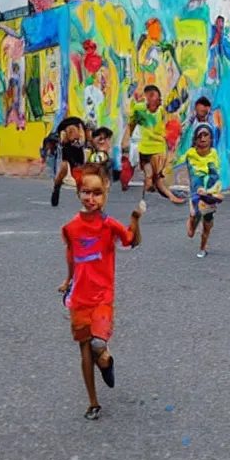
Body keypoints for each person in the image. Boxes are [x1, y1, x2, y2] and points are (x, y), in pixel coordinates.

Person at [58, 164, 146, 420]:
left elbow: (132, 240)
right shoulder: (71, 228)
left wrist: (135, 220)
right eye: (86, 192)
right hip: (79, 298)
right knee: (84, 350)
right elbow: (72, 257)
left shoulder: (109, 225)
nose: (91, 198)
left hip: (102, 297)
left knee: (98, 345)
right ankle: (93, 402)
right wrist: (67, 281)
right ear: (78, 193)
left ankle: (107, 362)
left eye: (97, 193)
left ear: (105, 195)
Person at [125, 85, 184, 204]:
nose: (159, 101)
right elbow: (132, 122)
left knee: (154, 178)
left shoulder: (161, 111)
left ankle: (155, 198)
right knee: (151, 177)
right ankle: (151, 198)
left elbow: (172, 110)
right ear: (149, 97)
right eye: (157, 99)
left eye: (160, 99)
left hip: (158, 150)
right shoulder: (140, 110)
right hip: (145, 150)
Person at [181, 123, 224, 258]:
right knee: (191, 231)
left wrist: (212, 191)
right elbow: (194, 174)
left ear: (211, 139)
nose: (203, 139)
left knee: (207, 222)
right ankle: (192, 220)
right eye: (200, 136)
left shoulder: (214, 154)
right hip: (197, 191)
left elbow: (215, 174)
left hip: (210, 193)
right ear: (195, 139)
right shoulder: (190, 154)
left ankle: (203, 248)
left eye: (206, 135)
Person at [51, 117, 88, 207]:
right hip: (67, 152)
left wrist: (80, 142)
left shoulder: (80, 128)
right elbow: (61, 141)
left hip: (78, 154)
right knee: (63, 170)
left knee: (78, 176)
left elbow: (83, 141)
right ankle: (57, 187)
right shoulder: (64, 131)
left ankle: (84, 197)